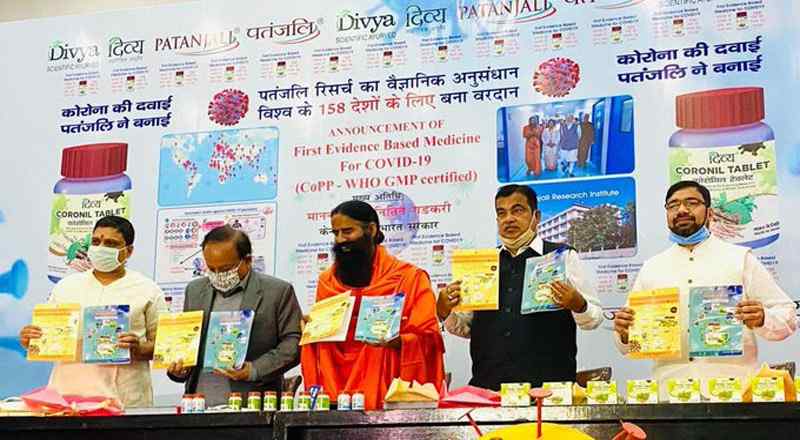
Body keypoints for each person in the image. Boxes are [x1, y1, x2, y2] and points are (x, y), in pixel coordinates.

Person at [613, 181, 796, 386]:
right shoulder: (652, 267)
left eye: (691, 203)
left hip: (733, 390)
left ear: (710, 213)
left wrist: (763, 319)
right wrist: (625, 333)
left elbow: (788, 316)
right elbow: (628, 346)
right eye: (673, 205)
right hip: (671, 392)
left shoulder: (739, 259)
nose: (681, 210)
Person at [437, 185, 603, 391]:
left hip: (547, 393)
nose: (509, 219)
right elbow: (467, 328)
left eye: (517, 210)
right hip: (489, 390)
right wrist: (444, 311)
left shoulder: (562, 257)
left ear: (536, 216)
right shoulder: (483, 264)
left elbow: (594, 319)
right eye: (502, 213)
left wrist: (579, 305)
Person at [301, 200, 445, 410]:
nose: (340, 240)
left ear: (371, 229)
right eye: (335, 233)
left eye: (348, 231)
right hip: (335, 390)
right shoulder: (327, 282)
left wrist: (398, 341)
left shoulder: (409, 278)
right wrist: (313, 330)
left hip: (390, 390)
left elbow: (429, 338)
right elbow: (326, 338)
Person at [19, 216, 166, 408]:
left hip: (124, 398)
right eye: (96, 242)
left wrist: (139, 349)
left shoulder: (147, 290)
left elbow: (165, 346)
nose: (101, 248)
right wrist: (31, 339)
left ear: (129, 251)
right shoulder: (66, 287)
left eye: (111, 244)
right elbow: (47, 338)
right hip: (67, 397)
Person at [167, 225, 302, 407]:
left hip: (253, 403)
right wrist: (179, 369)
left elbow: (293, 344)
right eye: (211, 269)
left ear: (247, 260)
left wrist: (253, 370)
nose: (218, 275)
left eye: (226, 269)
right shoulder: (194, 290)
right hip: (199, 403)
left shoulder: (277, 292)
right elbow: (188, 343)